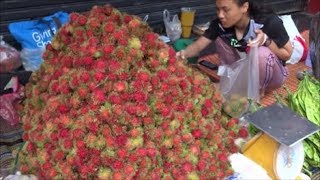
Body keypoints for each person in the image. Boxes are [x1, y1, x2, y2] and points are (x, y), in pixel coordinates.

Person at [176, 0, 293, 93]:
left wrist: (266, 41)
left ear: (244, 7)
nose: (220, 15)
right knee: (220, 38)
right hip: (246, 68)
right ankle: (232, 80)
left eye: (225, 10)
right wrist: (181, 55)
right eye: (218, 9)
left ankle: (256, 91)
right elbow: (198, 45)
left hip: (273, 76)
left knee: (260, 53)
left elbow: (287, 54)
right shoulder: (220, 25)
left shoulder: (268, 21)